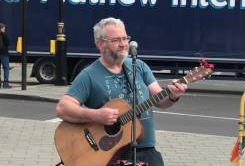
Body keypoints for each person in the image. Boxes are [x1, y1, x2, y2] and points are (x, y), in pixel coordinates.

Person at [55, 17, 187, 166]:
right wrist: (96, 115)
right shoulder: (89, 75)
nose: (123, 44)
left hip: (147, 151)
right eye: (116, 40)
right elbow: (63, 108)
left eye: (125, 38)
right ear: (100, 44)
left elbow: (160, 100)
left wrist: (172, 96)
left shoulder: (139, 66)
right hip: (111, 155)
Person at [0, 23, 11, 89]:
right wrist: (3, 33)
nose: (4, 29)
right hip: (4, 54)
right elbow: (7, 43)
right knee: (6, 68)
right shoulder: (4, 34)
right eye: (4, 28)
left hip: (3, 54)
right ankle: (6, 83)